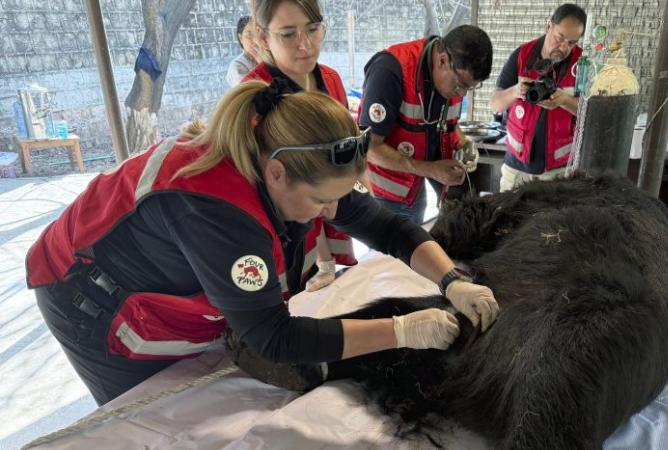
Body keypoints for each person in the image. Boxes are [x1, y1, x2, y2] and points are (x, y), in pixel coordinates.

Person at [27, 79, 500, 406]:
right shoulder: (217, 212)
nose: (328, 213)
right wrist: (400, 330)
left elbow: (388, 226)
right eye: (320, 202)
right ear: (277, 174)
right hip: (88, 295)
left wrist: (451, 279)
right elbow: (276, 336)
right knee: (151, 415)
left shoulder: (295, 162)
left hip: (167, 268)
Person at [242, 0, 356, 291]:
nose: (305, 45)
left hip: (327, 209)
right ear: (262, 35)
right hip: (285, 232)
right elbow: (274, 191)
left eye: (314, 29)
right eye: (288, 34)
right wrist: (324, 257)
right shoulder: (254, 98)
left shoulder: (329, 79)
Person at [358, 25, 492, 224]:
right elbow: (369, 147)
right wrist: (430, 169)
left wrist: (464, 143)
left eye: (471, 88)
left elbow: (449, 126)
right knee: (391, 252)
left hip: (415, 188)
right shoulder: (389, 70)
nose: (463, 94)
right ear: (443, 60)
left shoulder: (450, 82)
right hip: (385, 193)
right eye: (461, 85)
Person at [489, 4, 586, 192]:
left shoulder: (582, 64)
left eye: (572, 42)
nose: (564, 47)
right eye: (560, 38)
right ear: (548, 26)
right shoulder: (522, 56)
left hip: (559, 173)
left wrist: (564, 101)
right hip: (515, 169)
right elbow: (495, 104)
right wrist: (516, 91)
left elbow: (591, 114)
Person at [225, 16, 260, 87]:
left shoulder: (271, 57)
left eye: (258, 33)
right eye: (249, 35)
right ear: (241, 38)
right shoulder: (237, 65)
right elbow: (251, 94)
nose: (256, 40)